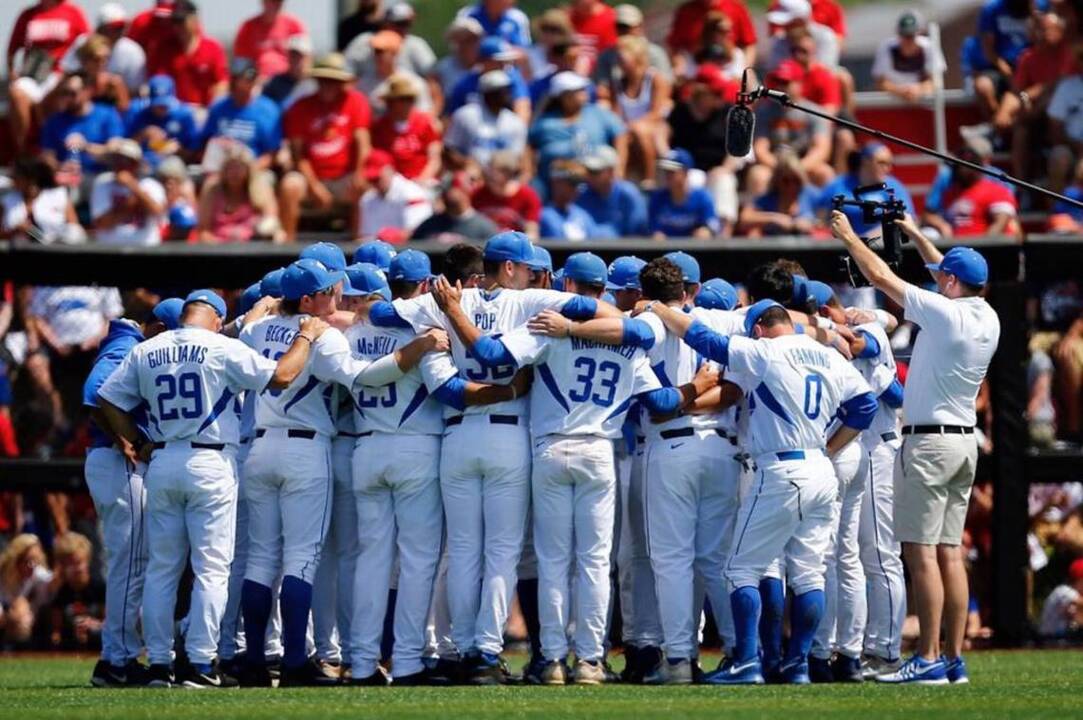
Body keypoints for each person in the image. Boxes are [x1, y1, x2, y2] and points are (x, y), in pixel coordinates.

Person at [367, 231, 621, 683]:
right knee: (502, 552)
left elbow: (381, 311)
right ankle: (486, 652)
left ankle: (465, 648)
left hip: (457, 436)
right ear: (509, 268)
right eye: (523, 268)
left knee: (463, 550)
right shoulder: (527, 301)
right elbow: (595, 309)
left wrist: (445, 308)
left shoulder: (443, 299)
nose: (529, 275)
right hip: (508, 434)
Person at [452, 253, 703, 685]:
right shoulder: (629, 338)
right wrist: (703, 382)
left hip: (551, 447)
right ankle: (590, 659)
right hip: (601, 451)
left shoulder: (550, 325)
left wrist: (454, 310)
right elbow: (662, 403)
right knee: (594, 563)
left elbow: (492, 354)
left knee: (552, 561)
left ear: (566, 285)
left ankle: (551, 660)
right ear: (602, 290)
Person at [97, 289, 327, 688]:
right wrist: (306, 336)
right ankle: (201, 663)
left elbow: (108, 399)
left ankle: (159, 664)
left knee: (162, 569)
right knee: (211, 569)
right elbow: (283, 376)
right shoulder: (220, 346)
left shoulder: (148, 349)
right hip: (209, 460)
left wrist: (136, 439)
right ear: (217, 319)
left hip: (164, 459)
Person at [237, 260, 448, 687]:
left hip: (260, 447)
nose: (337, 297)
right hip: (305, 448)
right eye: (331, 291)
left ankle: (255, 661)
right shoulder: (325, 335)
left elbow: (247, 329)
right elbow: (362, 376)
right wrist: (416, 349)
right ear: (310, 298)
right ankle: (296, 660)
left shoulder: (255, 331)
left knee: (260, 559)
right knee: (303, 557)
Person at [647, 296, 878, 685]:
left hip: (780, 467)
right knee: (809, 574)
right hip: (820, 466)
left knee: (740, 569)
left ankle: (748, 663)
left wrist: (662, 310)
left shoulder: (765, 350)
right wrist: (832, 447)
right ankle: (798, 664)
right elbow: (866, 405)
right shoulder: (825, 353)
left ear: (757, 329)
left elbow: (707, 341)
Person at [831, 209, 1001, 685]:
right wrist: (911, 232)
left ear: (950, 281)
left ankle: (925, 657)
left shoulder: (945, 313)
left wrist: (848, 237)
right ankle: (952, 658)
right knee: (950, 552)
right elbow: (943, 267)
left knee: (920, 552)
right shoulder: (986, 313)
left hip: (928, 444)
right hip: (964, 444)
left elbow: (880, 275)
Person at [82, 314, 166, 686]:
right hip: (116, 462)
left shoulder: (125, 343)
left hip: (112, 462)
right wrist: (127, 438)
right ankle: (116, 660)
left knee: (131, 563)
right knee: (130, 564)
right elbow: (96, 392)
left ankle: (118, 656)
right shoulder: (125, 345)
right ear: (157, 327)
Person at [280, 53, 372, 240]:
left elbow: (363, 143)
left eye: (333, 81)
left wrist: (359, 173)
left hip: (344, 176)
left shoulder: (356, 101)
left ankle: (359, 244)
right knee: (290, 185)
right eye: (324, 80)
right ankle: (287, 244)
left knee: (363, 188)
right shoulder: (300, 107)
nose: (328, 85)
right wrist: (314, 186)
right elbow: (298, 155)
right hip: (311, 176)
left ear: (342, 83)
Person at [997, 13, 1074, 183]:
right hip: (1036, 115)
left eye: (1047, 29)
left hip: (1063, 118)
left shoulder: (1069, 53)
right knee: (1020, 130)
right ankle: (1022, 186)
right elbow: (1016, 91)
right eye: (1038, 29)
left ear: (1061, 31)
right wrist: (1004, 111)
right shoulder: (1028, 56)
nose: (1041, 33)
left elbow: (1056, 85)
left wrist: (1029, 99)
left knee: (1049, 98)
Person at [6, 0, 91, 152]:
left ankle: (49, 148)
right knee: (17, 93)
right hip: (33, 74)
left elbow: (88, 45)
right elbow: (12, 49)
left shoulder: (73, 12)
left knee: (56, 95)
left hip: (61, 73)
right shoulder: (28, 14)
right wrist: (13, 74)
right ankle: (24, 152)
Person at [529, 71, 627, 185]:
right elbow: (529, 144)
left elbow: (620, 134)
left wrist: (619, 168)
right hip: (554, 183)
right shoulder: (545, 123)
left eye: (583, 89)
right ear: (564, 97)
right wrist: (529, 171)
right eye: (578, 91)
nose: (584, 93)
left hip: (595, 181)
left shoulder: (598, 113)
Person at [750, 60, 835, 193]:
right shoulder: (764, 111)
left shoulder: (815, 112)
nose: (780, 87)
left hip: (804, 163)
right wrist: (781, 168)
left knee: (825, 173)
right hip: (775, 163)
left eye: (786, 83)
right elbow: (760, 149)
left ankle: (825, 213)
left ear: (799, 84)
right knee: (758, 175)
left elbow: (821, 149)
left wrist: (797, 168)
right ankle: (761, 212)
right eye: (778, 82)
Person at [39, 71, 126, 184]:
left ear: (87, 91)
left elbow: (115, 151)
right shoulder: (54, 121)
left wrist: (85, 147)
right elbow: (47, 156)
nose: (68, 98)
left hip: (98, 177)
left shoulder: (107, 115)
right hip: (66, 179)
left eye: (72, 93)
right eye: (64, 93)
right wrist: (61, 167)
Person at [922, 138, 1018, 238]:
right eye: (960, 160)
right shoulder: (949, 190)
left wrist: (982, 247)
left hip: (983, 247)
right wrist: (942, 226)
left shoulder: (997, 189)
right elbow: (928, 214)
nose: (961, 168)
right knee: (929, 233)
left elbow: (1001, 223)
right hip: (955, 246)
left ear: (983, 162)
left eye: (968, 162)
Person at [815, 143, 915, 238]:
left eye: (889, 163)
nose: (888, 168)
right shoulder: (838, 185)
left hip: (881, 246)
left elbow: (905, 220)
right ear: (865, 161)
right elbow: (821, 218)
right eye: (882, 163)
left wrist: (863, 240)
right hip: (842, 247)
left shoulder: (894, 187)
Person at [200, 59, 282, 172]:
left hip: (253, 169)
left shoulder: (267, 110)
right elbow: (205, 142)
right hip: (220, 168)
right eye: (232, 79)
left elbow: (272, 153)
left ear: (252, 81)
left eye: (238, 79)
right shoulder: (218, 108)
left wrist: (249, 171)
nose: (233, 84)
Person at [610, 36, 672, 182]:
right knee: (621, 136)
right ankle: (619, 179)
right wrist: (624, 127)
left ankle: (649, 179)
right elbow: (616, 114)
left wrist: (634, 125)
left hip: (653, 127)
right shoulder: (618, 84)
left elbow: (657, 112)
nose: (619, 60)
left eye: (623, 55)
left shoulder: (655, 79)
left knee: (639, 131)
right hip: (628, 130)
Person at [144, 1, 228, 109]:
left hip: (202, 111)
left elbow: (221, 83)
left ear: (195, 21)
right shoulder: (164, 49)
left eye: (181, 21)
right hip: (171, 112)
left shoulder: (212, 48)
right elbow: (157, 80)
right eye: (174, 21)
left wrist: (213, 109)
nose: (177, 26)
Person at [196, 143, 283, 243]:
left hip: (254, 248)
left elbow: (272, 219)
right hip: (218, 248)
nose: (234, 172)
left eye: (239, 167)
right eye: (230, 167)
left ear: (248, 170)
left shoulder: (261, 187)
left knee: (279, 236)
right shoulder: (212, 188)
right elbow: (204, 230)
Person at [444, 70, 528, 171]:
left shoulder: (515, 123)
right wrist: (465, 163)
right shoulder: (465, 115)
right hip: (468, 175)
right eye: (501, 91)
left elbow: (519, 159)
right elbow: (449, 149)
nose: (507, 95)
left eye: (508, 90)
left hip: (502, 178)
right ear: (488, 94)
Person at [90, 138, 167, 247]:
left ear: (136, 164)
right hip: (110, 249)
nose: (119, 165)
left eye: (124, 161)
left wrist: (133, 186)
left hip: (146, 249)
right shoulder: (103, 183)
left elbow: (158, 212)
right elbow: (102, 224)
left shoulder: (151, 185)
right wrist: (128, 205)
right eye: (116, 160)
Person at [60, 3, 147, 95]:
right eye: (115, 27)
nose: (120, 31)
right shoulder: (82, 43)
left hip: (115, 102)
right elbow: (66, 74)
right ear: (101, 28)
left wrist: (115, 88)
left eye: (122, 27)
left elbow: (136, 89)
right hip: (83, 97)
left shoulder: (132, 51)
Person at [370, 74, 442, 183]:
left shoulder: (425, 123)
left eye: (410, 99)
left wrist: (421, 180)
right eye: (402, 99)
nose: (407, 103)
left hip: (422, 180)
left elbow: (434, 159)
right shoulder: (380, 127)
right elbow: (378, 160)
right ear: (390, 102)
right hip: (392, 183)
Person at [0, 156, 85, 244]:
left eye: (15, 177)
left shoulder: (58, 196)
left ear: (30, 178)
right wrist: (14, 231)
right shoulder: (7, 200)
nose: (12, 180)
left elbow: (75, 229)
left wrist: (32, 231)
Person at [445, 37, 532, 121]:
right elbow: (452, 118)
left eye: (507, 62)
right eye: (500, 62)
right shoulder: (466, 84)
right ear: (484, 61)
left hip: (506, 131)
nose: (504, 66)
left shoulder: (513, 79)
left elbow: (522, 110)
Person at [44, 532, 105, 652]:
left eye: (78, 562)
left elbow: (109, 623)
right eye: (69, 564)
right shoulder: (60, 592)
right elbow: (56, 631)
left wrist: (94, 624)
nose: (76, 568)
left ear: (87, 560)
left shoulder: (100, 588)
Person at [593, 4, 673, 90]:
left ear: (640, 26)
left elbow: (667, 86)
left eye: (627, 27)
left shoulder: (655, 53)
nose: (623, 31)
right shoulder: (607, 56)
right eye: (619, 27)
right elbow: (602, 88)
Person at [125, 75, 200, 166]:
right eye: (158, 104)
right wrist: (143, 134)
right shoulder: (138, 112)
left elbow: (193, 151)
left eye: (165, 104)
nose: (161, 108)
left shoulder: (184, 114)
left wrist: (177, 150)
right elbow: (125, 145)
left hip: (172, 166)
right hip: (141, 163)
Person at [357, 149, 433, 239]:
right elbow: (367, 236)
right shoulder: (367, 199)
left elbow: (418, 232)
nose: (374, 183)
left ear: (390, 170)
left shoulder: (412, 192)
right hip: (380, 249)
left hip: (411, 249)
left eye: (377, 178)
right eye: (371, 180)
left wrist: (395, 236)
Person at [354, 29, 433, 115]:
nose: (377, 56)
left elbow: (424, 115)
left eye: (381, 51)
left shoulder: (413, 83)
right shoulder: (364, 83)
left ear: (394, 53)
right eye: (375, 51)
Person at [740, 150, 817, 237]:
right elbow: (745, 219)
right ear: (777, 181)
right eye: (786, 181)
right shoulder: (768, 198)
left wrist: (811, 223)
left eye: (796, 180)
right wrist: (774, 218)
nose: (792, 186)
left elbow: (829, 215)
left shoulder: (809, 193)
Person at [666, 0, 758, 73]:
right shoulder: (686, 11)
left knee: (752, 86)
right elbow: (674, 46)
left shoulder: (736, 7)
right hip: (695, 67)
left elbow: (750, 45)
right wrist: (679, 66)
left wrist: (744, 68)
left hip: (730, 66)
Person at [575, 146, 648, 237]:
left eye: (595, 172)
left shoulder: (628, 195)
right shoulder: (582, 195)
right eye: (588, 171)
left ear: (611, 171)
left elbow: (638, 234)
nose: (589, 176)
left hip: (624, 250)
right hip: (587, 249)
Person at [872, 11, 945, 103]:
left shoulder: (929, 47)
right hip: (893, 106)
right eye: (904, 35)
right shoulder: (886, 47)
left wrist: (918, 90)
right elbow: (880, 83)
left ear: (919, 33)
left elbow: (935, 82)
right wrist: (900, 91)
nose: (907, 40)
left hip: (924, 106)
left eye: (911, 36)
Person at [649, 149, 720, 239]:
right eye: (666, 171)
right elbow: (654, 230)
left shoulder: (702, 197)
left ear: (685, 172)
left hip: (695, 250)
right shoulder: (657, 198)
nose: (667, 175)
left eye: (672, 172)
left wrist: (706, 230)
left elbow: (712, 226)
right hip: (665, 251)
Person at [411, 172, 500, 241]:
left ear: (465, 191)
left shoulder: (484, 227)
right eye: (445, 191)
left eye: (451, 189)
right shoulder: (429, 225)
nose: (446, 195)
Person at [472, 151, 542, 237]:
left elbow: (532, 231)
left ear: (509, 173)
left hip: (514, 246)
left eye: (496, 171)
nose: (490, 174)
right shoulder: (476, 194)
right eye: (490, 169)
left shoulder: (527, 195)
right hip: (483, 245)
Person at [0, 534, 53, 647]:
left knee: (23, 619)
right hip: (4, 617)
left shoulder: (37, 573)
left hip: (22, 618)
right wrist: (9, 617)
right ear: (16, 559)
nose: (32, 565)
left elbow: (52, 581)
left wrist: (27, 612)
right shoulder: (2, 574)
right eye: (27, 560)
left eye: (36, 560)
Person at [233, 0, 308, 80]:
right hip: (256, 83)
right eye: (272, 1)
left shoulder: (295, 25)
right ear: (263, 2)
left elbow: (305, 59)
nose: (276, 4)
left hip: (288, 82)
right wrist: (254, 80)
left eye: (279, 2)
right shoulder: (248, 27)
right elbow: (241, 62)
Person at [540, 160, 599, 240]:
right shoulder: (543, 216)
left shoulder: (583, 215)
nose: (577, 188)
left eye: (580, 183)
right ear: (556, 182)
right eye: (573, 182)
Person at [433, 17, 485, 101]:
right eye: (464, 40)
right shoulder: (442, 69)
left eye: (473, 39)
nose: (469, 45)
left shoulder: (488, 64)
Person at [262, 34, 314, 109]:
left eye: (300, 56)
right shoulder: (275, 83)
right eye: (293, 55)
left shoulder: (316, 84)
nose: (295, 60)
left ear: (309, 58)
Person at [458, 0, 533, 49]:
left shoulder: (517, 17)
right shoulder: (468, 15)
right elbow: (459, 47)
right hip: (472, 67)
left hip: (507, 66)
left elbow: (524, 51)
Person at [1038, 558, 1083, 637]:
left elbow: (1078, 620)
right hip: (1048, 640)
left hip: (1061, 640)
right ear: (1080, 579)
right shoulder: (1063, 590)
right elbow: (1079, 602)